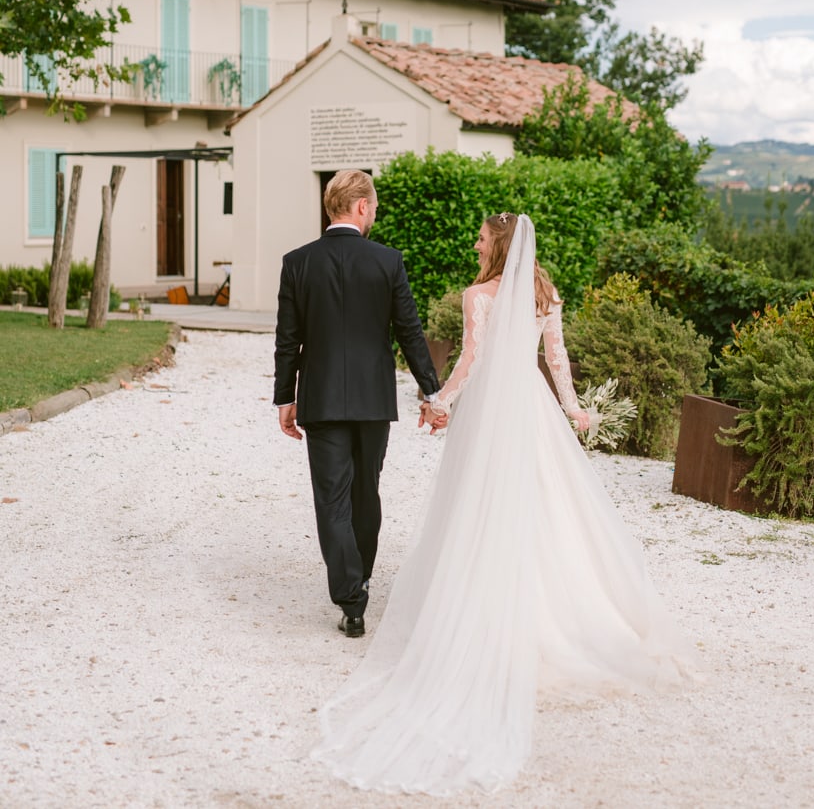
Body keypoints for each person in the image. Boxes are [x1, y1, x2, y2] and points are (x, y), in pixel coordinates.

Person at [311, 212, 702, 794]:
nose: (474, 243)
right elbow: (558, 361)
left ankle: (489, 612)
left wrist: (439, 401)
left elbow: (470, 362)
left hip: (493, 413)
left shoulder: (479, 297)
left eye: (481, 238)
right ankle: (558, 614)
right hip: (534, 409)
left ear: (499, 248)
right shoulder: (546, 295)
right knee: (545, 509)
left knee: (479, 507)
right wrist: (573, 412)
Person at [274, 169, 442, 639]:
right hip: (372, 400)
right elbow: (409, 330)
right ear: (362, 206)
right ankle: (361, 578)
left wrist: (285, 397)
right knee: (366, 491)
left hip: (320, 399)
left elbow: (287, 340)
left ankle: (351, 600)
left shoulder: (297, 262)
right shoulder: (387, 261)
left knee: (332, 499)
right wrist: (431, 392)